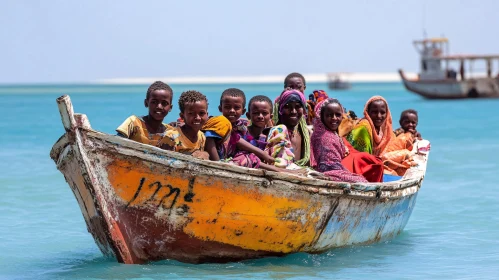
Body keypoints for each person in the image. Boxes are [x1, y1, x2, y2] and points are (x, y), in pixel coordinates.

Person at [311, 98, 368, 183]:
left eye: (338, 115)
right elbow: (331, 168)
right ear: (321, 116)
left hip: (332, 170)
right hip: (328, 174)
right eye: (329, 115)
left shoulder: (327, 132)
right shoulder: (326, 137)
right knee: (362, 181)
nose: (334, 118)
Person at [215, 88, 275, 168]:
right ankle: (276, 169)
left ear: (243, 111)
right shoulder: (219, 123)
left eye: (236, 108)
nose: (232, 110)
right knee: (245, 157)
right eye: (227, 107)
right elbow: (236, 139)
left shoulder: (241, 126)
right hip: (225, 161)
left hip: (243, 162)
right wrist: (262, 153)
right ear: (220, 108)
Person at [116, 81, 175, 149]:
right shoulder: (134, 122)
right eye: (154, 102)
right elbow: (116, 143)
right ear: (146, 103)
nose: (159, 106)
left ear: (170, 108)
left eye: (164, 103)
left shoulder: (170, 133)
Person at [266, 89, 311, 168]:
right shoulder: (278, 132)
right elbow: (280, 165)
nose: (293, 111)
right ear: (280, 109)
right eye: (287, 107)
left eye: (298, 106)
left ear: (304, 110)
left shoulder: (306, 135)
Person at [162, 90, 209, 158]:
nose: (197, 118)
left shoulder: (202, 137)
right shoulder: (171, 137)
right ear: (182, 116)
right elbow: (163, 164)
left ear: (207, 115)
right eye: (191, 113)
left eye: (201, 113)